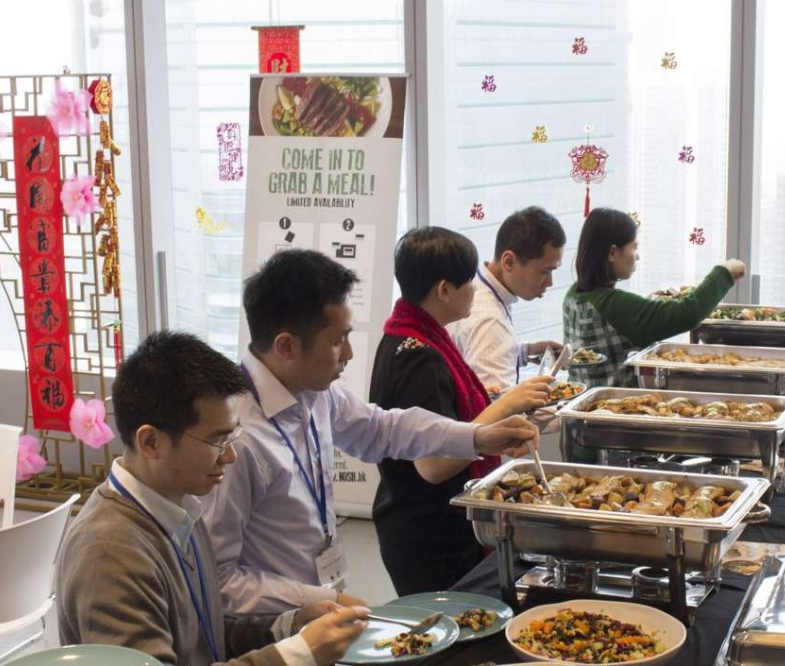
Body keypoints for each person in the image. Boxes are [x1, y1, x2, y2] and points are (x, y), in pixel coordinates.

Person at [202, 249, 538, 613]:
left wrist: (477, 436)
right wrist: (316, 600)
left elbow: (382, 428)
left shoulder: (313, 392)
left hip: (320, 605)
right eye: (337, 340)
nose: (348, 353)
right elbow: (217, 583)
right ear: (286, 346)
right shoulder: (236, 440)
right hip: (271, 628)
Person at [55, 331, 368, 666]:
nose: (230, 456)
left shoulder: (178, 507)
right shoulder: (110, 555)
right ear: (150, 443)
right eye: (218, 440)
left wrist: (289, 625)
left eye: (233, 436)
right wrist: (296, 655)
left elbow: (204, 638)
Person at [369, 227, 553, 595]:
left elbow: (441, 419)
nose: (475, 288)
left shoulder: (411, 336)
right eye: (469, 280)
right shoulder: (419, 356)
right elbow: (433, 465)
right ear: (444, 290)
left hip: (421, 526)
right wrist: (505, 405)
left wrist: (481, 402)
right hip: (431, 536)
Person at [563, 207, 746, 390]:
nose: (638, 255)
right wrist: (724, 271)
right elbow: (688, 312)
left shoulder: (573, 295)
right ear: (612, 253)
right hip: (617, 410)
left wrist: (647, 304)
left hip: (584, 401)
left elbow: (622, 322)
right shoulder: (614, 304)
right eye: (634, 247)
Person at [448, 206, 566, 392]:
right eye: (545, 271)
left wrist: (526, 351)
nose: (549, 282)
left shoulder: (480, 285)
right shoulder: (490, 323)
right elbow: (499, 411)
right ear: (509, 261)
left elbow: (476, 358)